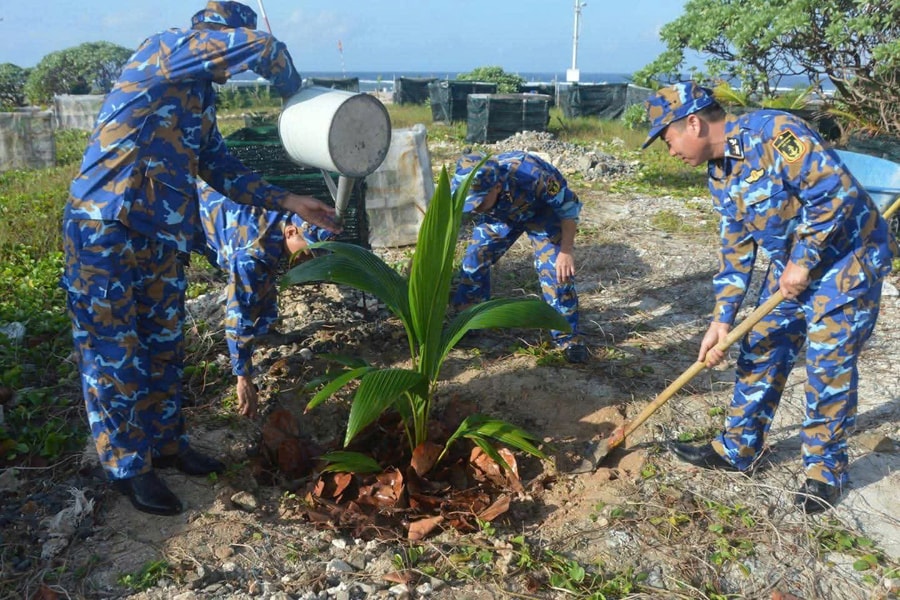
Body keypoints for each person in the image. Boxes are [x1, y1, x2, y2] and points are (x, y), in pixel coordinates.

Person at [60, 1, 340, 516]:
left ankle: (168, 445)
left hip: (161, 235)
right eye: (226, 51)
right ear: (213, 36)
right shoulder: (164, 51)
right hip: (106, 226)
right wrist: (294, 89)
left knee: (164, 345)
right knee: (113, 353)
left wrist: (289, 201)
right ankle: (127, 468)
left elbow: (219, 165)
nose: (230, 68)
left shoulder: (199, 99)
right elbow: (261, 48)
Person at [642, 82, 897, 513]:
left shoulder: (777, 132)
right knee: (760, 346)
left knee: (826, 366)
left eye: (668, 140)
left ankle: (824, 471)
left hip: (847, 262)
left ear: (693, 123)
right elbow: (736, 249)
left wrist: (804, 257)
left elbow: (834, 194)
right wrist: (722, 319)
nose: (670, 152)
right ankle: (738, 449)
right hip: (792, 271)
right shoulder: (720, 175)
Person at [193, 181, 333, 420]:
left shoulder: (279, 219)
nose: (309, 262)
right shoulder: (252, 254)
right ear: (291, 232)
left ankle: (266, 331)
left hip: (205, 200)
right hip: (176, 214)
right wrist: (243, 378)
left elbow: (265, 280)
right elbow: (238, 312)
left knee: (263, 276)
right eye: (309, 253)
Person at [450, 152, 588, 363]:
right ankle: (469, 322)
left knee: (556, 272)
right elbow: (444, 217)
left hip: (542, 212)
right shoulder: (469, 188)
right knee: (473, 262)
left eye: (478, 201)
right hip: (499, 215)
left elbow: (568, 209)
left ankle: (568, 338)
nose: (473, 208)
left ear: (497, 186)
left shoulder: (534, 176)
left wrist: (566, 251)